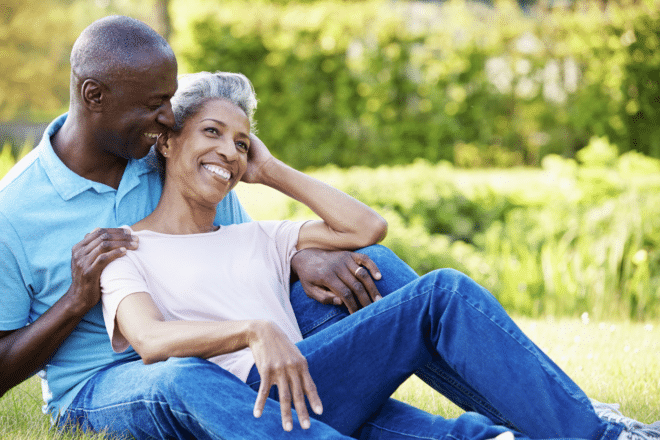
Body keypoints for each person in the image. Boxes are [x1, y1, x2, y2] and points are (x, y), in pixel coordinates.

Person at [97, 70, 660, 440]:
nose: (227, 150)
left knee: (445, 330)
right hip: (242, 405)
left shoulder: (260, 237)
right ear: (167, 140)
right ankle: (601, 436)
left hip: (319, 388)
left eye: (240, 143)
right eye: (211, 132)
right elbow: (150, 341)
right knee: (442, 304)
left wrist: (269, 170)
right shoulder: (126, 247)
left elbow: (368, 227)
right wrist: (252, 332)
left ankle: (589, 431)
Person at [0, 15, 407, 440]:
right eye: (155, 104)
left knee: (370, 266)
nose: (167, 118)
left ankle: (476, 422)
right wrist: (75, 299)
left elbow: (237, 251)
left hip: (210, 352)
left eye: (170, 101)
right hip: (106, 382)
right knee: (181, 377)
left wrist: (300, 255)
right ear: (94, 95)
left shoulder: (168, 154)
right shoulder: (12, 213)